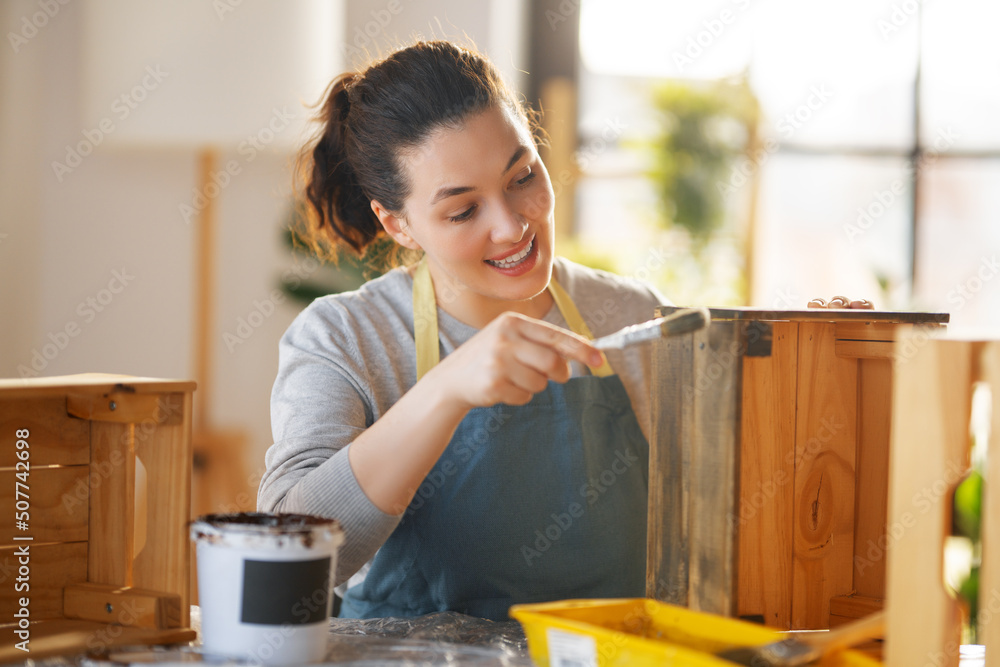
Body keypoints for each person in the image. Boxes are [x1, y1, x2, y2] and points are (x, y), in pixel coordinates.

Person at [257, 40, 669, 621]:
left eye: (522, 176)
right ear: (397, 223)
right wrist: (445, 390)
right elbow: (280, 560)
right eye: (463, 211)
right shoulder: (346, 336)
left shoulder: (635, 315)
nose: (511, 227)